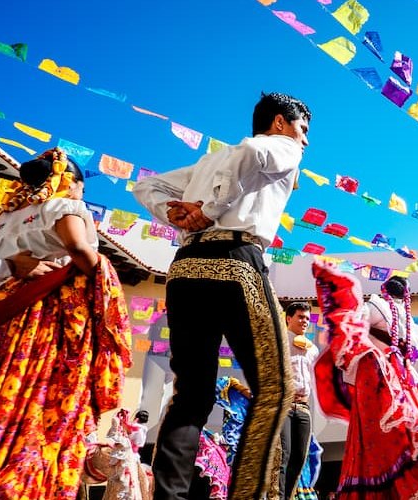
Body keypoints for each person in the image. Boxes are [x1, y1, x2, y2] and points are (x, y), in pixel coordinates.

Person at [0, 148, 132, 497]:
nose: (81, 194)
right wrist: (102, 277)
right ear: (69, 182)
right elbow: (78, 248)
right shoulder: (63, 206)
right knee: (34, 398)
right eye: (80, 187)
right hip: (41, 315)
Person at [134, 92, 309, 500]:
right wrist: (211, 210)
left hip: (185, 268)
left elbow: (147, 185)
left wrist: (174, 213)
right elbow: (251, 150)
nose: (306, 141)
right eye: (303, 129)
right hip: (234, 262)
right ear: (281, 123)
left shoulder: (210, 161)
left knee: (191, 394)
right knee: (276, 387)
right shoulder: (280, 146)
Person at [309, 260, 418, 498]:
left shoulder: (383, 309)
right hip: (400, 380)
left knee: (390, 440)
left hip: (389, 380)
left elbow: (351, 327)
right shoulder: (401, 318)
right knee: (412, 436)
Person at [281, 302, 321, 499]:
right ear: (289, 318)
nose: (305, 321)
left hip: (304, 407)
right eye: (300, 317)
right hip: (284, 406)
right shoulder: (279, 343)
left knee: (299, 457)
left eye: (307, 318)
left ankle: (287, 496)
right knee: (284, 455)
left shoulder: (312, 349)